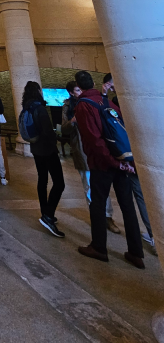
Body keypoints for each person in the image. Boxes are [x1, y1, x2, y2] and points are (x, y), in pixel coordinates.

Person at [74, 71, 144, 268]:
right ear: (94, 83)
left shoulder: (84, 105)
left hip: (102, 164)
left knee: (97, 204)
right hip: (121, 160)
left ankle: (99, 248)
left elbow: (94, 140)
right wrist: (125, 162)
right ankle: (136, 253)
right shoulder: (108, 103)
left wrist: (114, 163)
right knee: (127, 206)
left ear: (79, 86)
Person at [101, 73, 155, 249]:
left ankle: (154, 236)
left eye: (113, 84)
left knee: (141, 195)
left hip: (135, 155)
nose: (113, 87)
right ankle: (152, 234)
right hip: (136, 154)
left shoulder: (123, 103)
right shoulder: (123, 101)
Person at [61, 80, 121, 234]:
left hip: (100, 150)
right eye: (76, 90)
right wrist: (72, 121)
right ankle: (98, 217)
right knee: (88, 187)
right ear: (71, 92)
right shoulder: (68, 107)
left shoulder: (91, 102)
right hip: (82, 151)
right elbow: (64, 128)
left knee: (104, 186)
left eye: (80, 89)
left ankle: (107, 217)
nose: (80, 92)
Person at [22, 80, 65, 238]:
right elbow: (48, 131)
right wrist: (55, 141)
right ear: (38, 91)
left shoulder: (26, 106)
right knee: (59, 183)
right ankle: (48, 215)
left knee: (43, 179)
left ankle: (45, 212)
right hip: (47, 150)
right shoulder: (39, 108)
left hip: (36, 149)